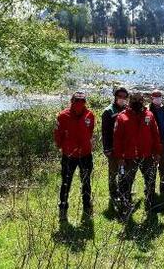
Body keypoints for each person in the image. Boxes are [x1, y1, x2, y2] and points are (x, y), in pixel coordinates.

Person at [113, 92, 162, 214]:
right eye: (134, 100)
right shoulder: (122, 117)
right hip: (128, 157)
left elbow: (155, 135)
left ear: (143, 102)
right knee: (125, 182)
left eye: (140, 100)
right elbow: (117, 139)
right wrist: (119, 157)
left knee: (150, 181)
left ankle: (150, 204)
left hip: (147, 155)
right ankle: (126, 206)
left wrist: (157, 152)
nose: (137, 103)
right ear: (130, 102)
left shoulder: (149, 115)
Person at [54, 92, 95, 222]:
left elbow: (90, 132)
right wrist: (62, 146)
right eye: (77, 100)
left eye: (81, 101)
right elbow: (58, 134)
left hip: (85, 155)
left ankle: (86, 207)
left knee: (84, 182)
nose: (79, 103)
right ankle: (64, 209)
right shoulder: (63, 115)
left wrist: (61, 145)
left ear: (85, 102)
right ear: (72, 101)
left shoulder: (90, 115)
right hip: (69, 155)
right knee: (68, 183)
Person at [101, 87, 128, 206]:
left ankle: (123, 192)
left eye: (124, 97)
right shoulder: (108, 111)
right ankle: (113, 194)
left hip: (125, 148)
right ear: (115, 97)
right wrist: (107, 148)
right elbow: (105, 132)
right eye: (120, 96)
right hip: (112, 148)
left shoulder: (127, 110)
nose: (122, 99)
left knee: (124, 171)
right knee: (113, 172)